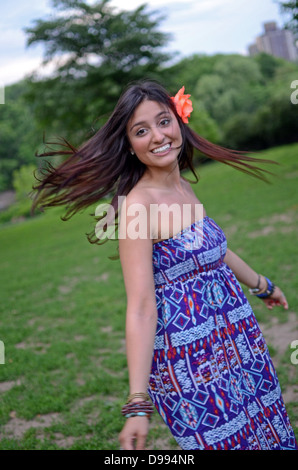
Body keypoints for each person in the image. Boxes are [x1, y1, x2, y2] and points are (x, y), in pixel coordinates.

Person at [32, 80, 298, 451]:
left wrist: (263, 285)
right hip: (191, 361)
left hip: (237, 340)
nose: (157, 136)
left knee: (266, 427)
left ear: (179, 122)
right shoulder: (138, 207)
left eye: (163, 121)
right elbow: (140, 306)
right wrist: (137, 403)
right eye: (141, 131)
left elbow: (215, 251)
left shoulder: (183, 187)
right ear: (129, 144)